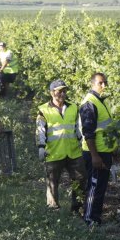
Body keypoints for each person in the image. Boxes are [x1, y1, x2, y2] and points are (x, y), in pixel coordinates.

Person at [36, 79, 86, 212]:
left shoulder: (73, 108)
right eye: (59, 91)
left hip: (73, 151)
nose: (63, 94)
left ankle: (78, 208)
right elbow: (40, 130)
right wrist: (41, 146)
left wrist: (83, 143)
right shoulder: (43, 110)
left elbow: (78, 128)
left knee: (79, 180)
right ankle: (53, 209)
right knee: (52, 183)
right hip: (54, 152)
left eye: (64, 91)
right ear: (52, 93)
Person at [79, 73, 118, 226]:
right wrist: (95, 156)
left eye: (105, 83)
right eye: (100, 83)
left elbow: (106, 128)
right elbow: (88, 133)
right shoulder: (89, 103)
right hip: (95, 153)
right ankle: (89, 219)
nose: (104, 86)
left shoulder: (102, 102)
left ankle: (96, 218)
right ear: (93, 83)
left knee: (100, 187)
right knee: (94, 187)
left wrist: (114, 149)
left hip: (104, 151)